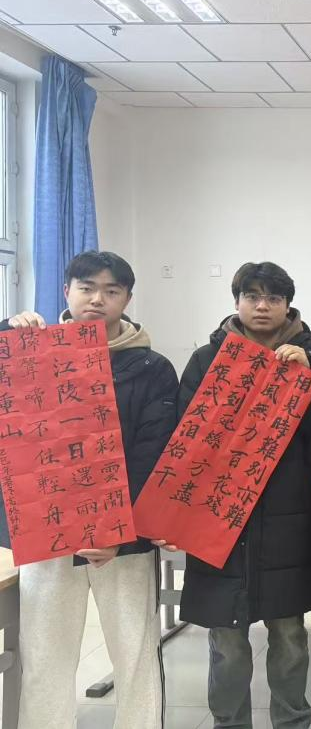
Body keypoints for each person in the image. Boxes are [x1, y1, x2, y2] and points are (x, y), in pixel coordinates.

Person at [158, 261, 311, 729]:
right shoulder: (208, 359)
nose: (263, 306)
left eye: (274, 298)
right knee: (227, 640)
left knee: (290, 636)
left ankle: (292, 721)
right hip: (220, 518)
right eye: (253, 296)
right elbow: (183, 436)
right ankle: (230, 722)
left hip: (287, 517)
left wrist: (308, 378)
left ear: (288, 305)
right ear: (237, 301)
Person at [0, 250, 179, 729]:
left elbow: (153, 454)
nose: (97, 299)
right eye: (87, 288)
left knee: (135, 654)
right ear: (67, 291)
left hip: (124, 538)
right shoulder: (31, 350)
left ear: (127, 299)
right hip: (48, 533)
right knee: (45, 657)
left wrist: (119, 530)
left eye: (111, 291)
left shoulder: (152, 367)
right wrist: (6, 332)